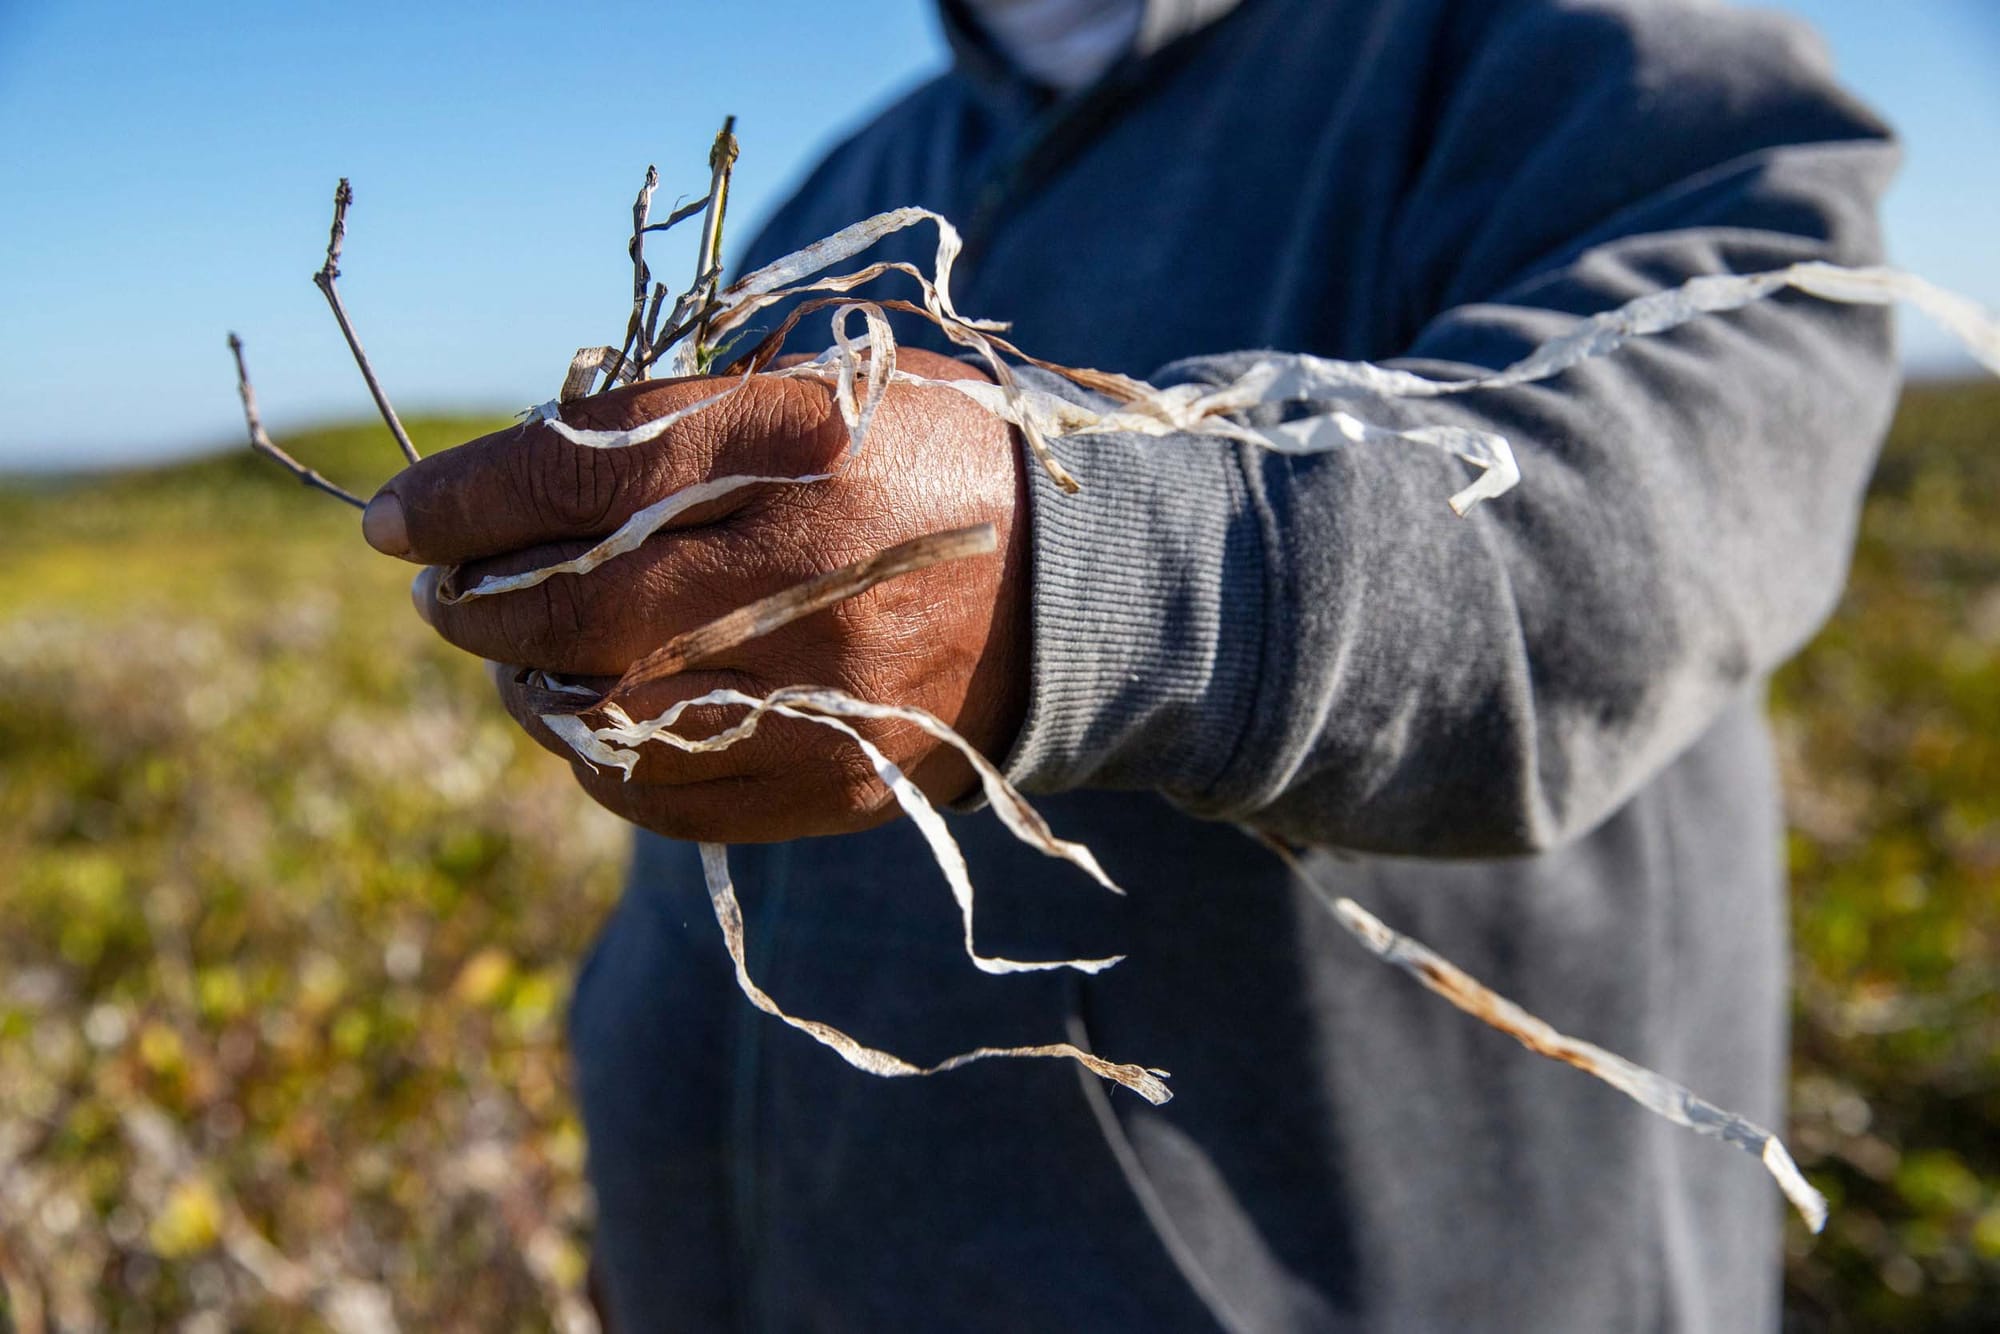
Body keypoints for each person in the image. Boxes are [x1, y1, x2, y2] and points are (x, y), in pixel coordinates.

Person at [361, 0, 1900, 1327]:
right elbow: (706, 884)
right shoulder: (854, 181)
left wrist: (1078, 575)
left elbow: (1678, 500)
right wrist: (671, 1232)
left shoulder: (1561, 44)